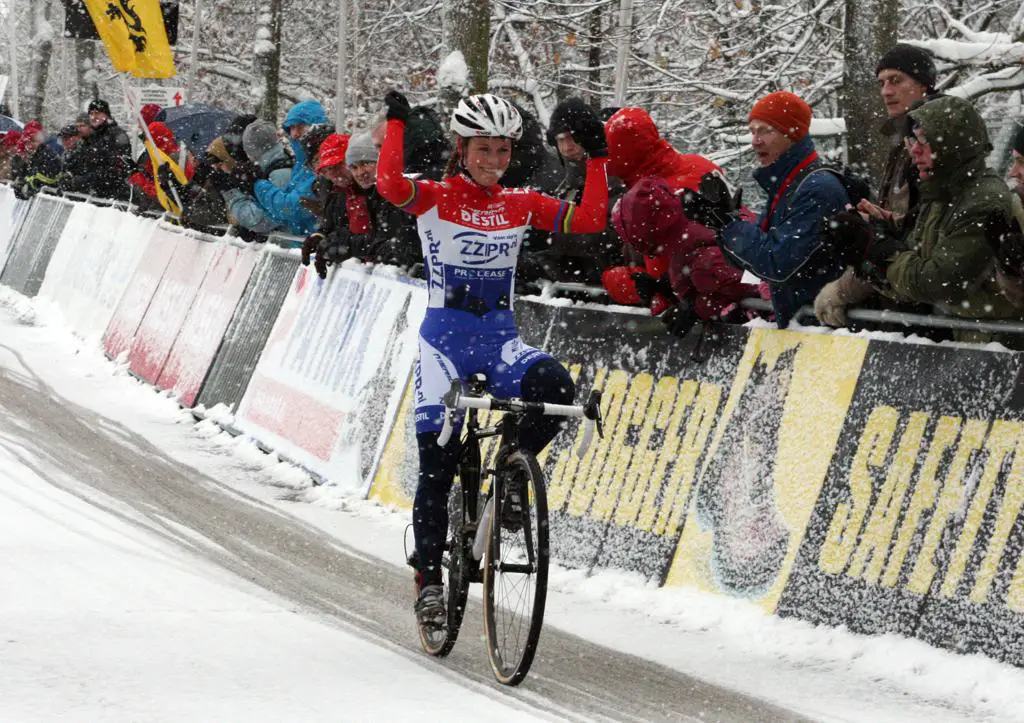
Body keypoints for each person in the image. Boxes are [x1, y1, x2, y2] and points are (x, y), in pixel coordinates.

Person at [376, 90, 609, 627]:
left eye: (503, 151)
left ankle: (510, 473)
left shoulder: (520, 204)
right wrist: (395, 125)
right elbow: (389, 186)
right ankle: (429, 577)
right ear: (461, 148)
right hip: (444, 348)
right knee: (436, 463)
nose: (493, 162)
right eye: (483, 149)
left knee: (555, 387)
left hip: (501, 343)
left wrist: (597, 158)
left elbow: (592, 218)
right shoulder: (435, 198)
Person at [830, 96, 1022, 343]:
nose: (914, 150)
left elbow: (939, 283)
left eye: (924, 139)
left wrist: (881, 251)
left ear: (953, 144)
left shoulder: (982, 200)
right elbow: (916, 254)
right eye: (913, 140)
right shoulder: (942, 192)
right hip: (975, 339)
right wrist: (878, 239)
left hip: (1001, 345)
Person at [684, 91, 848, 328]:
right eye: (752, 131)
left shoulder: (816, 189)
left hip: (821, 331)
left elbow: (777, 263)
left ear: (792, 135)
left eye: (766, 130)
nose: (755, 140)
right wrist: (723, 224)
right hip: (802, 326)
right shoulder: (788, 184)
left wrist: (731, 228)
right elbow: (754, 262)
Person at [815, 44, 940, 327]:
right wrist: (880, 221)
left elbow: (920, 242)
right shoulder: (902, 141)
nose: (885, 91)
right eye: (881, 83)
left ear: (924, 84)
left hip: (922, 310)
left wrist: (844, 289)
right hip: (900, 299)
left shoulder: (934, 143)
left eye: (896, 80)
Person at [612, 177, 758, 335]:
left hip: (759, 331)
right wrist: (667, 287)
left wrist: (694, 309)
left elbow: (741, 282)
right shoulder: (690, 222)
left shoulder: (695, 252)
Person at [523, 97, 625, 285]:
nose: (567, 147)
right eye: (561, 140)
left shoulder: (616, 178)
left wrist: (549, 239)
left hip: (609, 288)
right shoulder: (565, 187)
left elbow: (606, 239)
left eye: (572, 137)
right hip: (575, 291)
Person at [252, 100, 324, 235]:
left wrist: (258, 185)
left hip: (312, 247)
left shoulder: (320, 165)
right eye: (291, 128)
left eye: (301, 126)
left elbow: (291, 208)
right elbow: (281, 215)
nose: (294, 134)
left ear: (315, 127)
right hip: (299, 246)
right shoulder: (300, 164)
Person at [59, 99, 133, 200]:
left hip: (111, 196)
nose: (94, 117)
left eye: (97, 113)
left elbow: (116, 170)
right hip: (91, 195)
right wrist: (71, 177)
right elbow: (84, 162)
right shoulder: (91, 137)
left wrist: (84, 180)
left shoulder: (116, 136)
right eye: (91, 114)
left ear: (106, 115)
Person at [13, 120, 62, 199]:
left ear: (40, 141)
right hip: (37, 200)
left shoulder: (47, 155)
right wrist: (21, 184)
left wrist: (30, 187)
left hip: (48, 200)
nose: (30, 146)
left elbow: (47, 178)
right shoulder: (33, 156)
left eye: (33, 141)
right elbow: (27, 174)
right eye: (27, 142)